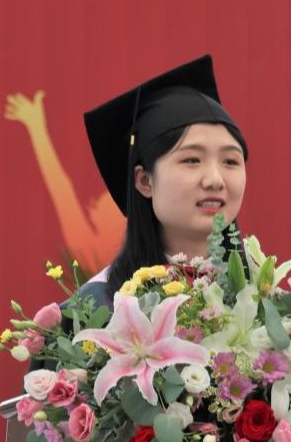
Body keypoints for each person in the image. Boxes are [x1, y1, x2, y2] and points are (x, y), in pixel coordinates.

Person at [79, 55, 248, 307]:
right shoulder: (99, 308)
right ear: (144, 180)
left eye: (231, 161)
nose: (215, 180)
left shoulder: (269, 301)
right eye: (192, 160)